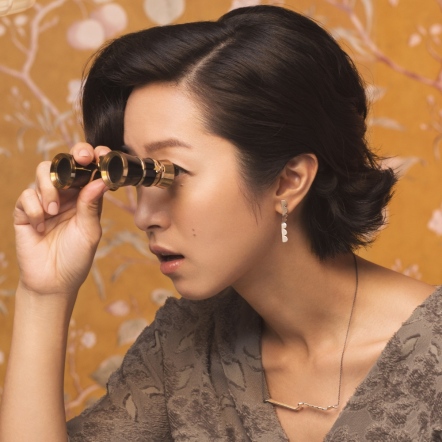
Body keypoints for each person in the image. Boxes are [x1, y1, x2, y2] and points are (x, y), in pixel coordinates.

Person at [0, 5, 440, 442]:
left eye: (169, 173)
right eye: (139, 176)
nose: (144, 216)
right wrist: (44, 294)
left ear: (288, 181)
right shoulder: (185, 348)